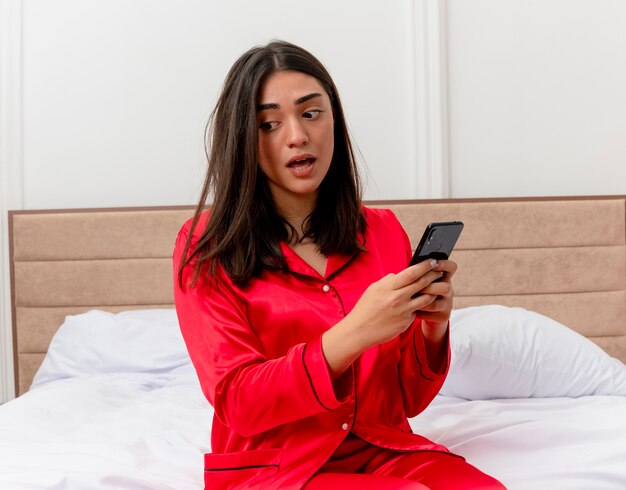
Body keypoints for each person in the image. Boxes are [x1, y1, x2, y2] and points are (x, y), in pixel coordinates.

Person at [173, 40, 506, 490]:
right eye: (269, 123)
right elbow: (238, 401)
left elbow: (406, 401)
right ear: (243, 139)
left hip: (382, 450)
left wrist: (432, 328)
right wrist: (354, 333)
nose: (297, 136)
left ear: (335, 120)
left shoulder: (382, 231)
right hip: (278, 471)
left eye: (311, 113)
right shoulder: (207, 245)